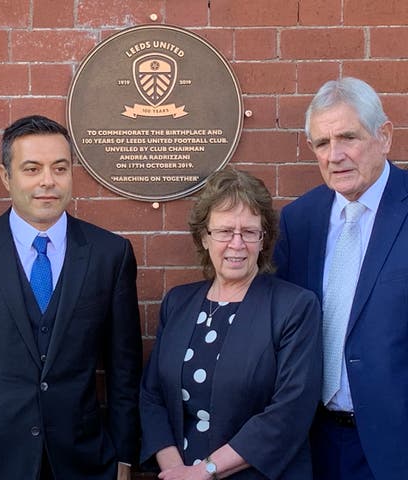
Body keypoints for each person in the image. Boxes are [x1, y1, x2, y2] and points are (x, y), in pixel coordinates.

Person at [0, 115, 142, 480]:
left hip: (82, 461)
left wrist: (126, 458)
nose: (47, 181)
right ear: (7, 177)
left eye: (59, 168)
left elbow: (124, 371)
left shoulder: (109, 254)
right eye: (32, 168)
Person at [140, 169, 321, 479]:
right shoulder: (178, 303)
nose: (237, 244)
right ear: (204, 237)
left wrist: (206, 471)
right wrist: (176, 471)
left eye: (249, 232)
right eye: (225, 231)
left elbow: (289, 412)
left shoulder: (294, 307)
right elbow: (152, 395)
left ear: (264, 240)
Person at [274, 77, 408, 479]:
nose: (335, 156)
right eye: (322, 143)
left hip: (395, 446)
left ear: (384, 136)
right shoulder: (300, 220)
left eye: (348, 137)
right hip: (313, 443)